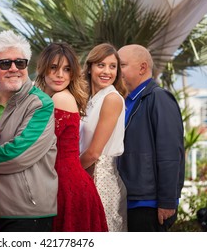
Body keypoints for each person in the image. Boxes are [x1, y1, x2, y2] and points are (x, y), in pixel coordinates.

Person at [0, 30, 58, 232]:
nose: (14, 69)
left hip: (26, 211)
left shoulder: (41, 104)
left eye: (21, 63)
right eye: (5, 63)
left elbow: (19, 154)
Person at [35, 42, 108, 232]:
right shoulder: (52, 97)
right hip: (63, 182)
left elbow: (38, 145)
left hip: (66, 184)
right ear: (43, 69)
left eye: (66, 69)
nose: (60, 75)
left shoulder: (61, 98)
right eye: (54, 68)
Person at [117, 44, 185, 232]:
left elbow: (171, 153)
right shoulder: (127, 100)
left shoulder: (159, 98)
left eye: (121, 65)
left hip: (149, 204)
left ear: (142, 67)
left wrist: (167, 201)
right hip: (131, 200)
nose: (115, 71)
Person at [79, 43, 127, 231]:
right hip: (87, 175)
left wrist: (66, 174)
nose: (107, 71)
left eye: (112, 66)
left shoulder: (112, 98)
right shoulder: (90, 100)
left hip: (102, 179)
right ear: (90, 68)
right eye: (101, 65)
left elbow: (93, 153)